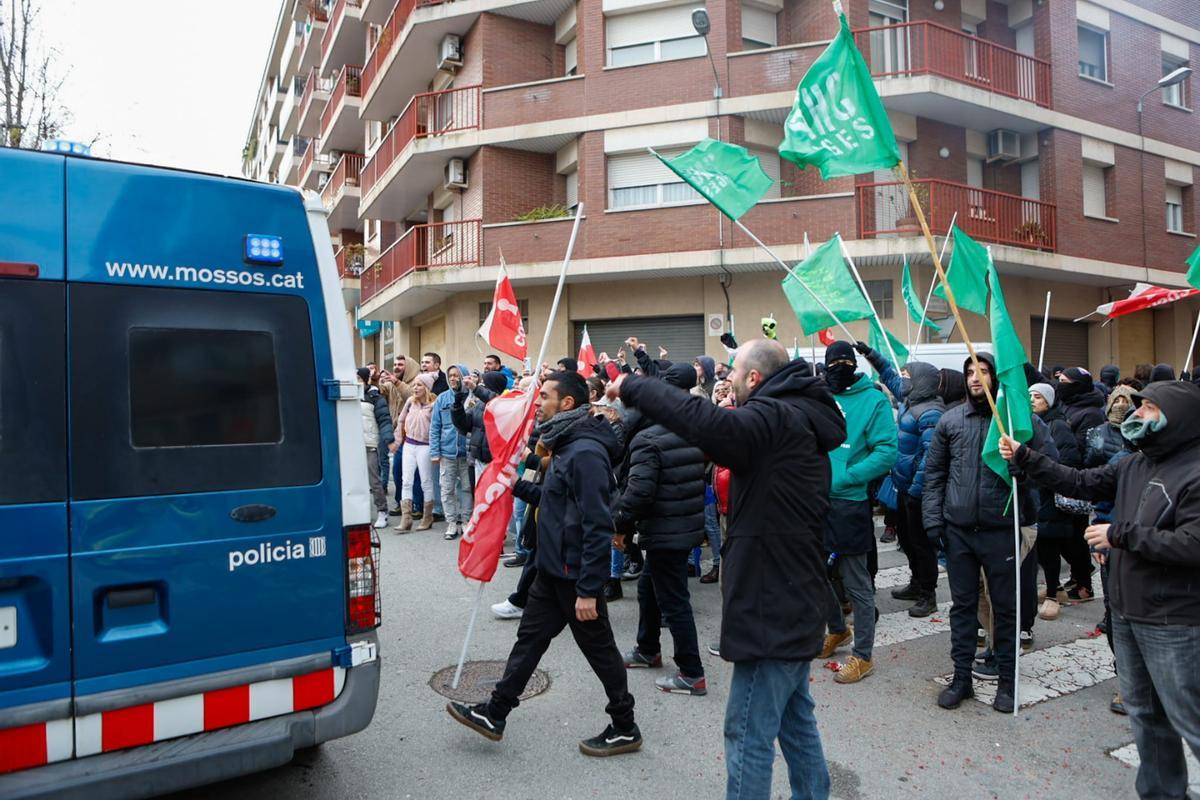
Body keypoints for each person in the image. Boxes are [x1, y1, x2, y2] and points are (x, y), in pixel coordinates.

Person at [614, 339, 846, 799]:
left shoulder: (774, 417)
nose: (728, 382)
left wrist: (635, 387)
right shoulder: (795, 414)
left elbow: (708, 423)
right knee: (796, 722)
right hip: (789, 598)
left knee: (746, 733)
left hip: (771, 607)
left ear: (754, 379)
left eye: (733, 374)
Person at [999, 381, 1200, 800]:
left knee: (1190, 719)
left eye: (1148, 407)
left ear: (1176, 418)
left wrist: (1120, 535)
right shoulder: (1133, 463)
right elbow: (1079, 481)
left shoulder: (1195, 472)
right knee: (1145, 715)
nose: (1136, 413)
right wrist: (1026, 457)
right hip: (1126, 613)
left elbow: (1192, 544)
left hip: (1174, 621)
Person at [447, 372, 642, 757]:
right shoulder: (565, 444)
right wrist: (513, 481)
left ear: (566, 404)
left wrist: (589, 589)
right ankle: (496, 713)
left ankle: (625, 726)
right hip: (551, 572)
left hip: (574, 577)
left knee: (600, 651)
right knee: (529, 641)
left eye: (545, 397)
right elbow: (553, 501)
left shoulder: (585, 452)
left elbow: (597, 522)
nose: (536, 403)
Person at [923, 353, 1045, 714]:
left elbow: (1044, 470)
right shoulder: (950, 421)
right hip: (959, 531)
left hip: (1000, 529)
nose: (976, 378)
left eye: (984, 371)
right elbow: (935, 476)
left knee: (1005, 609)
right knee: (962, 609)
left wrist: (1022, 468)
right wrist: (933, 521)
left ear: (995, 377)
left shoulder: (1015, 422)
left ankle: (1007, 682)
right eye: (969, 372)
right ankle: (962, 679)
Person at [614, 363, 708, 696]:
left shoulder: (647, 440)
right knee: (648, 589)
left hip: (666, 530)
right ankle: (647, 649)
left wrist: (620, 526)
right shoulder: (695, 432)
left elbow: (637, 494)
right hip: (681, 527)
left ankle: (691, 672)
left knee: (675, 601)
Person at [817, 341, 898, 684]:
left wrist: (847, 477)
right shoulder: (819, 395)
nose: (838, 366)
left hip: (849, 503)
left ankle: (863, 656)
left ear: (853, 364)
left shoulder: (875, 400)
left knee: (857, 583)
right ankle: (837, 630)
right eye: (831, 362)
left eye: (843, 361)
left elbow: (886, 452)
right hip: (814, 501)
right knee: (814, 574)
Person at [865, 349, 945, 618]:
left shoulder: (931, 412)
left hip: (917, 491)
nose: (902, 380)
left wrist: (916, 490)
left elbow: (931, 457)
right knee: (907, 542)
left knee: (921, 544)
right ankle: (915, 582)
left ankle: (928, 594)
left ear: (921, 381)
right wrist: (873, 357)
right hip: (903, 486)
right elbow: (890, 378)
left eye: (908, 375)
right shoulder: (911, 400)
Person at [1026, 382, 1083, 622]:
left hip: (1049, 493)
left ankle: (1052, 595)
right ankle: (1055, 588)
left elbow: (1067, 460)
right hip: (1035, 493)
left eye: (1037, 397)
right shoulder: (1030, 422)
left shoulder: (1058, 425)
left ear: (1048, 401)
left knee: (1048, 546)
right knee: (1039, 547)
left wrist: (1045, 473)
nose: (1031, 400)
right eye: (1029, 395)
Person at [1057, 367, 1106, 602]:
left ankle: (1085, 583)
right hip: (1064, 477)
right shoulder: (1066, 405)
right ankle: (1078, 575)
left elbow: (1087, 449)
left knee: (1075, 535)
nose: (1060, 385)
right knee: (1065, 535)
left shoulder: (1091, 413)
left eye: (1066, 382)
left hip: (1079, 480)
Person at [430, 365, 472, 540]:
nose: (453, 378)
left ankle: (466, 521)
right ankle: (452, 522)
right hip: (447, 453)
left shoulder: (472, 397)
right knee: (447, 489)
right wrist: (435, 451)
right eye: (451, 376)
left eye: (457, 375)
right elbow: (435, 427)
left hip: (467, 452)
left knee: (467, 488)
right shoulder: (442, 399)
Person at [395, 373, 437, 532]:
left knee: (426, 481)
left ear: (426, 388)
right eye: (414, 385)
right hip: (409, 445)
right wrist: (397, 440)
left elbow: (436, 428)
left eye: (419, 385)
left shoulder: (433, 405)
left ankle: (427, 517)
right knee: (406, 480)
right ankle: (406, 518)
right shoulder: (410, 402)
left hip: (425, 446)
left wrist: (435, 451)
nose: (415, 388)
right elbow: (401, 421)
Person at [358, 367, 396, 529]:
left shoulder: (375, 397)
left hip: (369, 444)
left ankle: (382, 511)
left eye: (359, 378)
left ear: (366, 379)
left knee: (374, 480)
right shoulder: (346, 395)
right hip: (350, 445)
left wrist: (389, 439)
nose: (356, 382)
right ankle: (358, 513)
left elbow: (384, 420)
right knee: (352, 483)